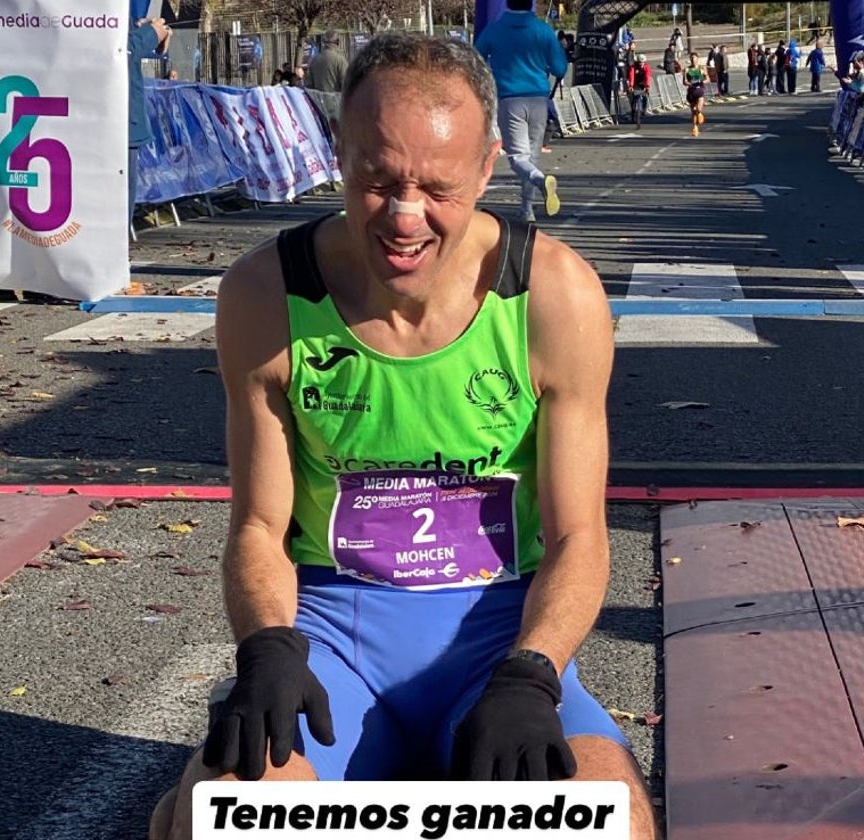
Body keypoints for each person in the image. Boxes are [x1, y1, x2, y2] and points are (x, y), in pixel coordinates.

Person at [146, 30, 658, 840]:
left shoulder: (553, 294)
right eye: (376, 180)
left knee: (613, 821)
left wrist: (531, 673)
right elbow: (258, 525)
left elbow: (579, 535)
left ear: (489, 167)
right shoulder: (264, 293)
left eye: (437, 188)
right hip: (334, 644)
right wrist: (269, 647)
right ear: (338, 156)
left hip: (495, 640)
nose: (404, 216)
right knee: (216, 818)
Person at [474, 0, 566, 222]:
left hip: (509, 98)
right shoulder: (543, 30)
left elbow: (475, 58)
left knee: (517, 158)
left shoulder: (495, 29)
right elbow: (560, 68)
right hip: (538, 97)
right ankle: (526, 207)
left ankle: (539, 182)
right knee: (533, 154)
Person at [126, 11, 169, 292]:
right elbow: (118, 50)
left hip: (118, 117)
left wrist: (149, 31)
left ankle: (111, 268)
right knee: (116, 201)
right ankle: (109, 272)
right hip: (113, 118)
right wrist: (150, 33)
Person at [682, 52, 707, 136]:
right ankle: (695, 128)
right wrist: (689, 83)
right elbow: (684, 81)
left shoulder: (701, 68)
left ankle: (700, 113)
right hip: (691, 92)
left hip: (700, 90)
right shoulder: (687, 69)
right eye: (692, 59)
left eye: (695, 59)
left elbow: (708, 79)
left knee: (698, 109)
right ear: (690, 60)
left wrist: (701, 81)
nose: (693, 60)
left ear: (697, 59)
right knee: (693, 112)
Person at [627, 52, 652, 125]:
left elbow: (647, 76)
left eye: (642, 62)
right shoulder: (633, 67)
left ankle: (644, 109)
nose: (641, 64)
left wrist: (647, 86)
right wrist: (631, 86)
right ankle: (633, 114)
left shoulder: (646, 67)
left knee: (645, 96)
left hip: (643, 84)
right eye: (640, 62)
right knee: (634, 100)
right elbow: (631, 76)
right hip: (635, 84)